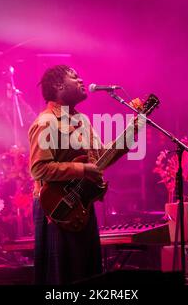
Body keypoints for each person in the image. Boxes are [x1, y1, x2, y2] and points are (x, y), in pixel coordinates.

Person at [28, 65, 126, 284]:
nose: (82, 81)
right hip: (56, 207)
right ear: (58, 86)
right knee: (62, 277)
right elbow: (39, 169)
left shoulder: (81, 120)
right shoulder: (46, 122)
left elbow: (101, 157)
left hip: (80, 203)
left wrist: (131, 133)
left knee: (87, 272)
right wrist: (82, 169)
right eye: (75, 77)